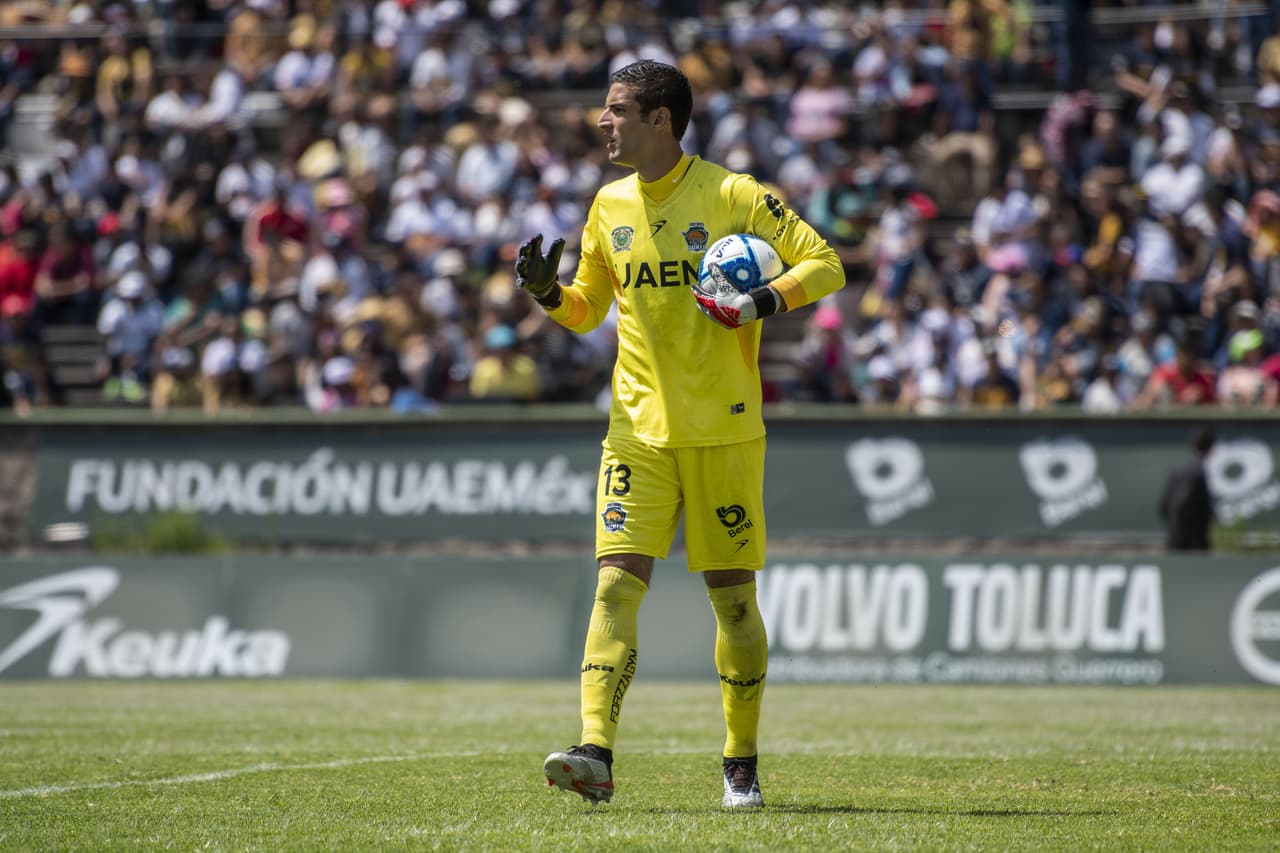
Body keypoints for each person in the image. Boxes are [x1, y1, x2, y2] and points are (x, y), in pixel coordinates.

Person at [515, 60, 845, 809]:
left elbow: (826, 265)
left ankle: (740, 762)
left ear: (660, 119)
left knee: (732, 604)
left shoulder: (731, 194)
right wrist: (545, 291)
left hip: (723, 431)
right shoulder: (607, 205)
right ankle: (594, 748)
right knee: (614, 584)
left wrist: (759, 301)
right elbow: (588, 309)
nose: (604, 121)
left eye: (618, 109)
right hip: (636, 430)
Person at [1158, 427, 1216, 552]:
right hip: (1189, 543)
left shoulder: (1179, 471)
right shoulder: (1196, 473)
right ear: (1211, 449)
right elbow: (1182, 506)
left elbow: (1164, 506)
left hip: (1176, 539)